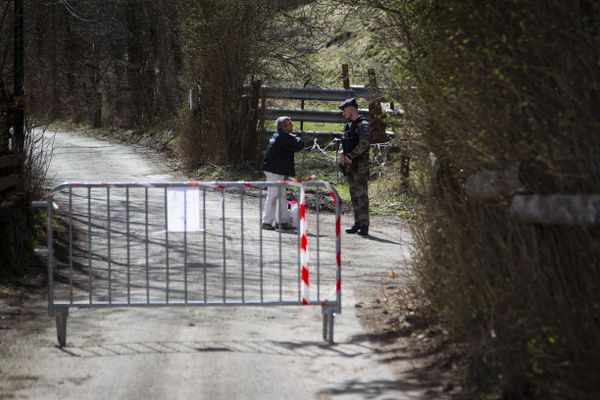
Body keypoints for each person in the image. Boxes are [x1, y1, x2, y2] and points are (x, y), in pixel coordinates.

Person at [261, 116, 304, 230]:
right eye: (290, 124)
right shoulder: (283, 137)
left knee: (281, 195)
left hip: (275, 169)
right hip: (274, 170)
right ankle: (267, 221)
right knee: (273, 195)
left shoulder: (278, 135)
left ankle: (282, 221)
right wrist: (297, 137)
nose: (292, 126)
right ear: (284, 127)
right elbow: (299, 145)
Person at [339, 98, 370, 236]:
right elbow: (343, 141)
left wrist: (350, 156)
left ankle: (364, 225)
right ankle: (357, 222)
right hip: (349, 166)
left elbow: (363, 144)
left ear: (351, 109)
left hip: (359, 165)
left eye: (345, 111)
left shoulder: (363, 124)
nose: (343, 114)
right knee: (353, 195)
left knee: (361, 196)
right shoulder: (348, 125)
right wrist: (342, 153)